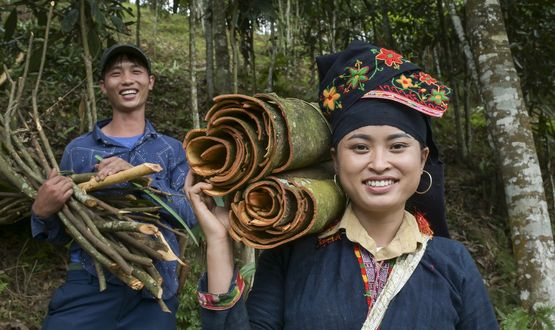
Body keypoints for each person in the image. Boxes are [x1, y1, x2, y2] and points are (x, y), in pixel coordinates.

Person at [185, 40, 498, 329]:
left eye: (397, 146)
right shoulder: (293, 253)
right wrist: (218, 244)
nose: (378, 163)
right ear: (336, 159)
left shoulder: (452, 262)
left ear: (422, 158)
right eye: (360, 147)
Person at [31, 44, 196, 329]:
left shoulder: (172, 150)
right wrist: (41, 213)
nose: (127, 79)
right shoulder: (79, 150)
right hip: (91, 283)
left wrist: (142, 179)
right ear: (104, 86)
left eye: (136, 71)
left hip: (154, 290)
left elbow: (190, 216)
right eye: (116, 73)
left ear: (150, 82)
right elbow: (61, 234)